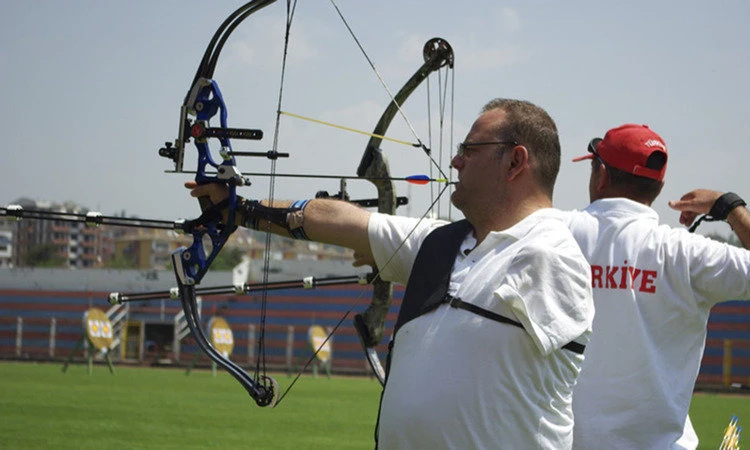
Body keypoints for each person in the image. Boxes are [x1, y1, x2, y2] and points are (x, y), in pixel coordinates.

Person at [188, 98, 594, 449]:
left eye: (470, 149)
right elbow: (342, 220)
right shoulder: (442, 243)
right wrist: (239, 208)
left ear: (515, 161)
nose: (456, 160)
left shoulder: (550, 254)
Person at [565, 123, 750, 449]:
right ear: (659, 186)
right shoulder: (686, 253)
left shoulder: (556, 232)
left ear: (601, 174)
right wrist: (727, 204)